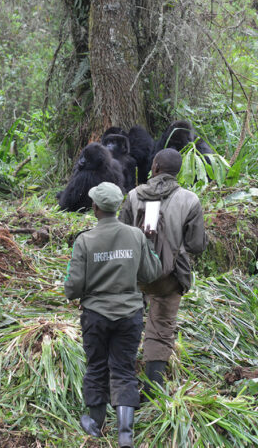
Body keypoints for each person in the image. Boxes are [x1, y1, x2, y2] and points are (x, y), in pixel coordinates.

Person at [65, 182, 161, 448]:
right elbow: (151, 273)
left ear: (95, 207)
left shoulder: (84, 240)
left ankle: (94, 423)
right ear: (118, 207)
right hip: (130, 315)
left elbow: (73, 287)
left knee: (96, 367)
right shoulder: (136, 235)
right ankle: (125, 433)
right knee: (123, 369)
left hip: (95, 316)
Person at [119, 148, 208, 398]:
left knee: (127, 320)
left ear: (155, 166)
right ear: (177, 172)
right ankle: (152, 389)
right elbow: (196, 245)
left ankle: (122, 380)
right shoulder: (190, 200)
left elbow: (121, 234)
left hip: (134, 275)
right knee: (161, 327)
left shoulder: (134, 196)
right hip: (169, 278)